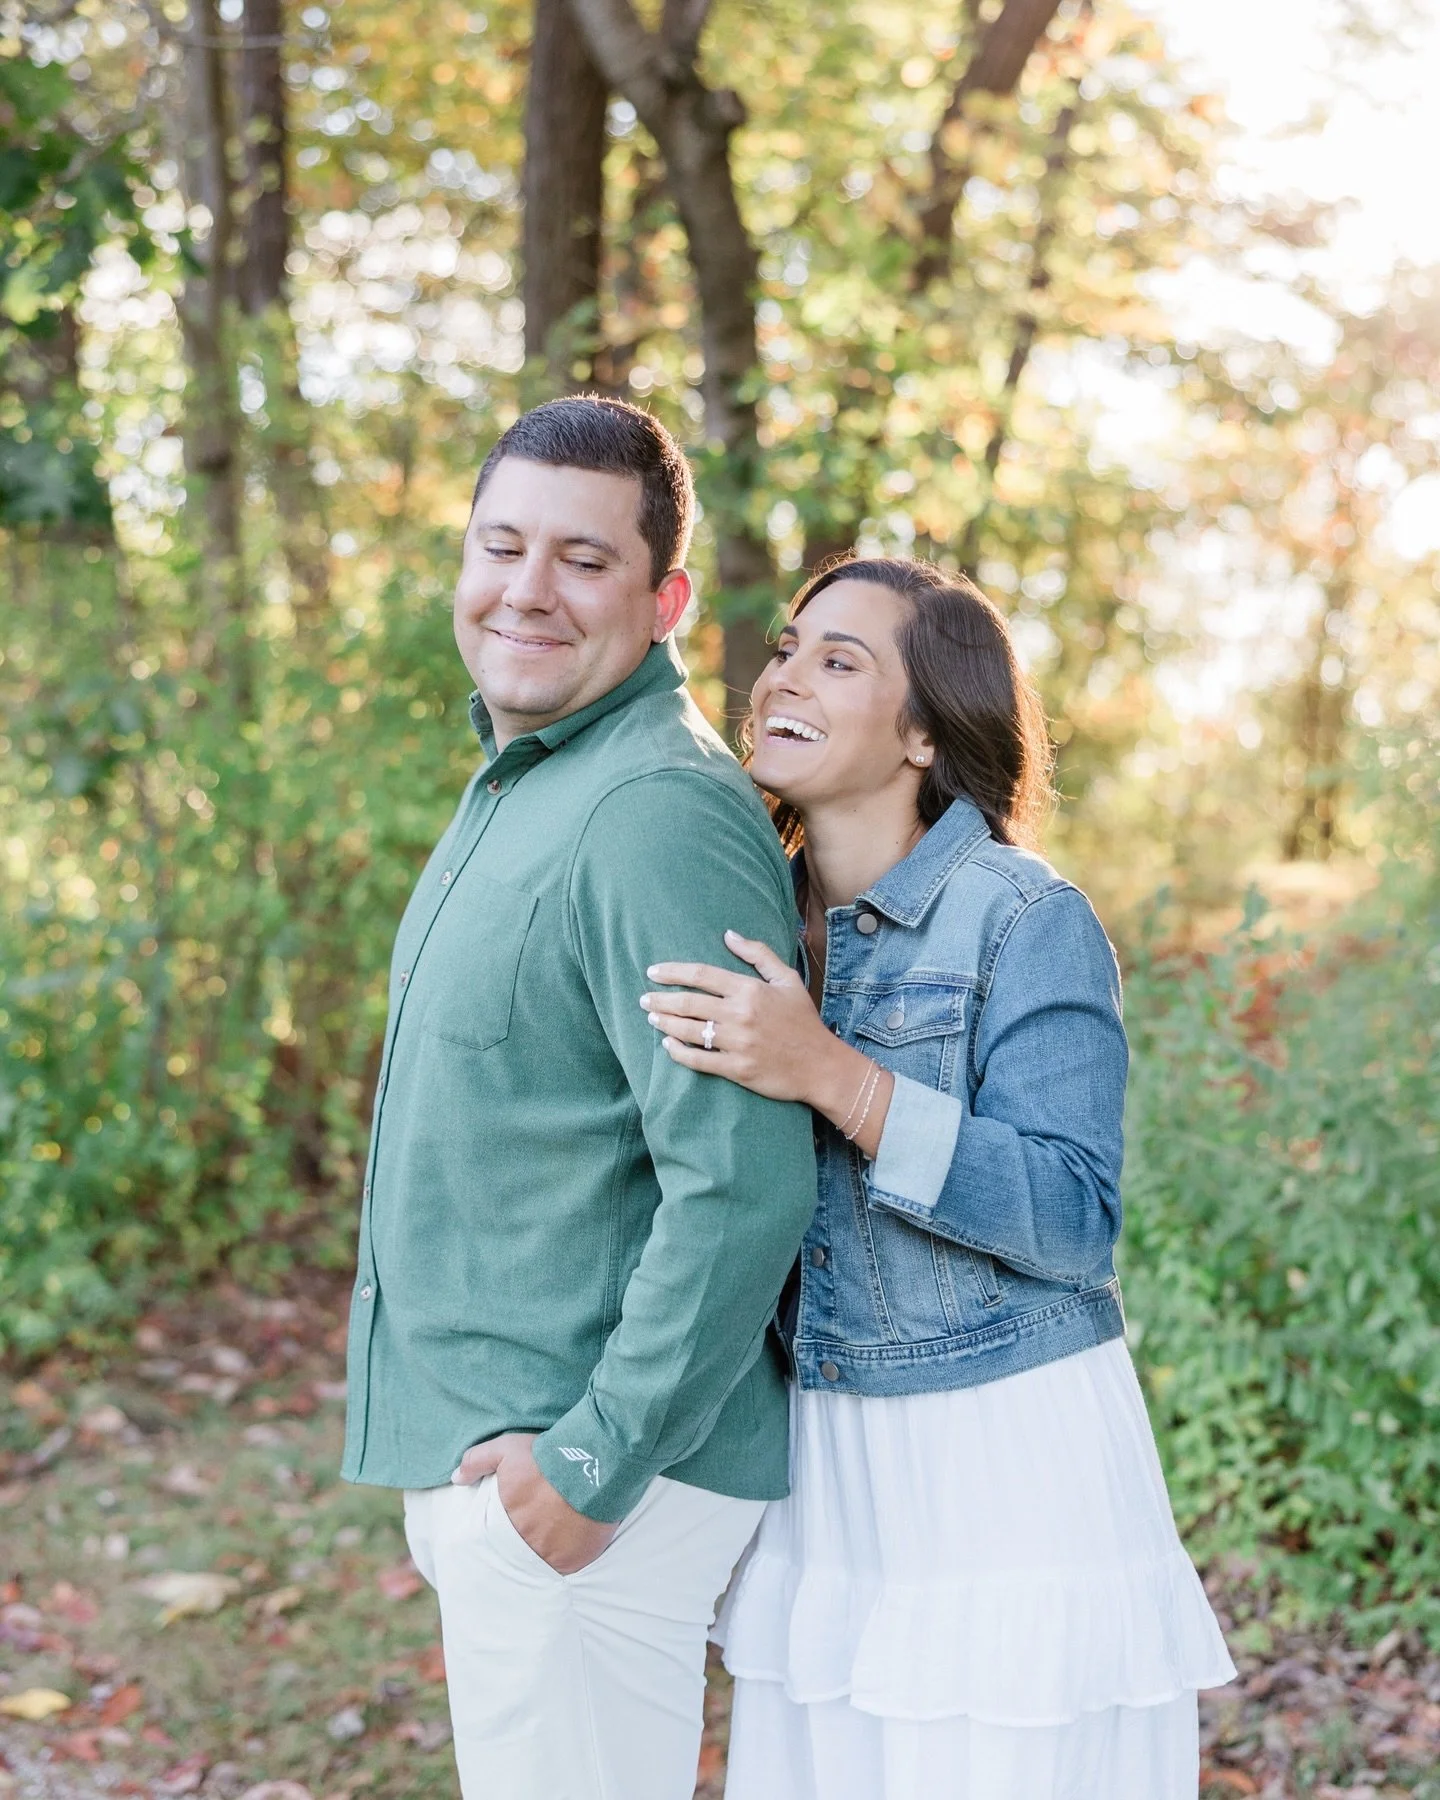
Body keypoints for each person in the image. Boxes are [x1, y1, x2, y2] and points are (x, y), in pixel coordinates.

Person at [640, 556, 1236, 1800]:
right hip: (824, 1461)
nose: (783, 676)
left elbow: (1075, 1218)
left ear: (921, 731)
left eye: (839, 660)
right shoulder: (746, 912)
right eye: (790, 647)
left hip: (1004, 1456)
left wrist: (835, 1076)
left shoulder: (1021, 916)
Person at [340, 395, 817, 1800]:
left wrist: (588, 1467)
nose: (527, 590)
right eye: (502, 545)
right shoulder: (531, 783)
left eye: (584, 559)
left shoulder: (650, 810)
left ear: (665, 597)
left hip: (592, 1481)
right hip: (524, 1474)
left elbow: (742, 1178)